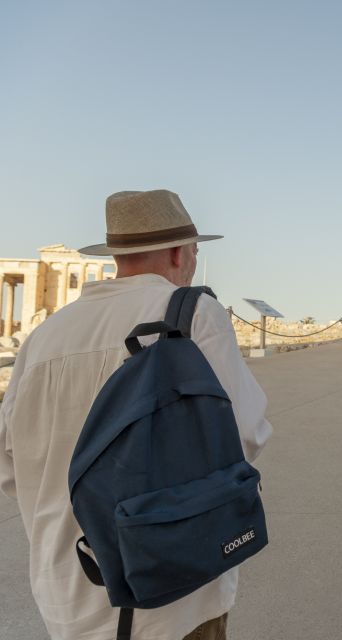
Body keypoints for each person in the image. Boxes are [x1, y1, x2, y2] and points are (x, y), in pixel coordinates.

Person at [0, 190, 273, 640]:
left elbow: (12, 472)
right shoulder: (191, 314)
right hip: (173, 595)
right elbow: (245, 435)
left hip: (65, 589)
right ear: (177, 252)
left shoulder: (43, 337)